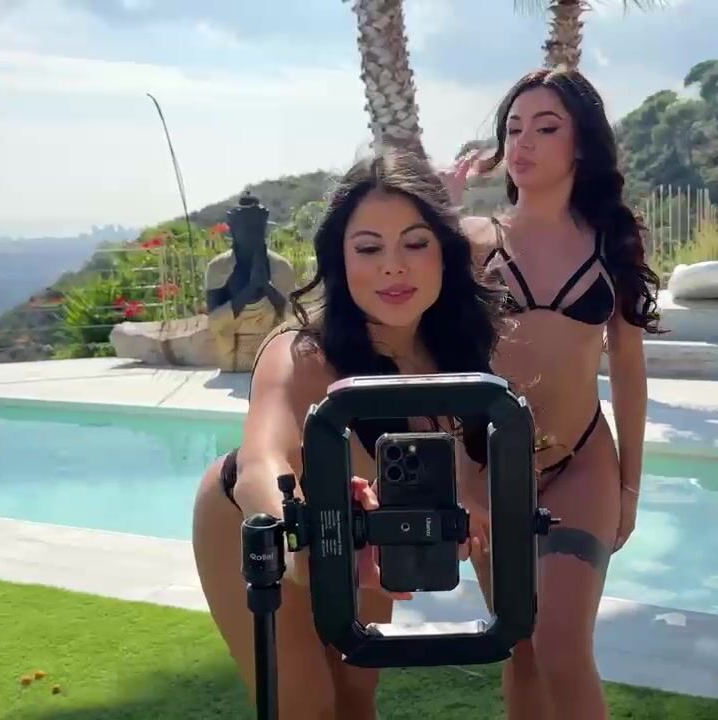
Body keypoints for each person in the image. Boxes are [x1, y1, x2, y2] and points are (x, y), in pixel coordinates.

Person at [190, 145, 504, 720]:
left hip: (367, 535)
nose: (393, 267)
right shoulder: (302, 352)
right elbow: (263, 463)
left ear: (444, 251)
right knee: (307, 706)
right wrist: (301, 540)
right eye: (369, 248)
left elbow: (477, 463)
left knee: (357, 697)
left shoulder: (460, 356)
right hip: (257, 524)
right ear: (339, 257)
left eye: (416, 243)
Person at [443, 66, 662, 720]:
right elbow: (433, 349)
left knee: (561, 646)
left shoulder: (612, 242)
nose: (523, 143)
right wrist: (442, 203)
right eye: (513, 128)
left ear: (581, 144)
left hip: (583, 463)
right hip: (488, 469)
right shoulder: (473, 241)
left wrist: (629, 486)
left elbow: (628, 369)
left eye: (545, 127)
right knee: (522, 652)